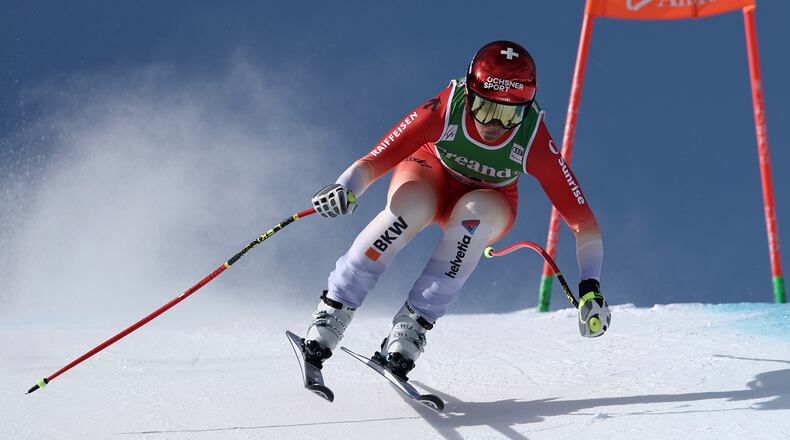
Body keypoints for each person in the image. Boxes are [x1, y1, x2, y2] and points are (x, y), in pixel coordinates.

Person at [303, 40, 610, 379]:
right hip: (429, 172)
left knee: (474, 219)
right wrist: (346, 186)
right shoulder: (448, 107)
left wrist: (590, 288)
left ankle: (412, 326)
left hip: (489, 199)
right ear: (469, 94)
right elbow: (380, 155)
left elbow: (583, 221)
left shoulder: (532, 137)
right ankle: (333, 311)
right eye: (485, 108)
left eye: (509, 114)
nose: (494, 123)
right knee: (410, 208)